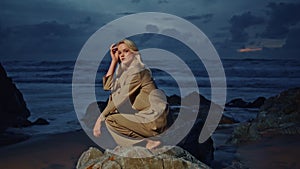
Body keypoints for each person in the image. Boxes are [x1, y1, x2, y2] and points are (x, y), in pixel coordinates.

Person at [93, 39, 168, 150]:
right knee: (112, 108)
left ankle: (148, 142)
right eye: (119, 53)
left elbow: (120, 98)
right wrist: (113, 61)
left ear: (134, 53)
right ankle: (147, 142)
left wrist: (99, 119)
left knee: (111, 119)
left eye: (126, 51)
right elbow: (107, 87)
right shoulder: (126, 73)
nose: (122, 55)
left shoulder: (138, 72)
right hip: (147, 117)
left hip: (154, 118)